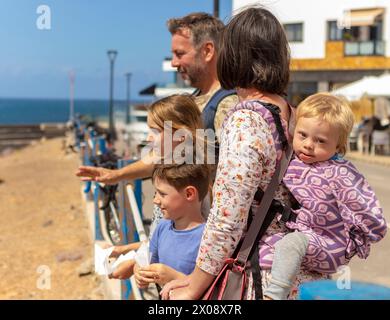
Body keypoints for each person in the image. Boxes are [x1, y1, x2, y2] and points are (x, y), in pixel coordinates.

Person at [161, 6, 326, 300]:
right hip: (292, 273)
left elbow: (228, 217)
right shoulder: (294, 115)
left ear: (232, 56)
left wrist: (195, 284)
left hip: (259, 274)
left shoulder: (246, 120)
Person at [75, 12, 238, 186]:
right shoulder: (196, 99)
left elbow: (237, 175)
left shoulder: (227, 105)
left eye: (180, 54)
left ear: (207, 51)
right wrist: (115, 175)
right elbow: (161, 156)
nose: (174, 63)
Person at [262, 93, 387, 300]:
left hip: (331, 242)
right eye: (303, 135)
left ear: (338, 146)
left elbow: (366, 207)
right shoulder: (293, 159)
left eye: (320, 141)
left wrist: (358, 238)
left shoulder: (340, 172)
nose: (309, 144)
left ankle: (273, 295)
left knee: (290, 244)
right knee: (274, 246)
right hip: (310, 235)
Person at [102, 94, 205, 280]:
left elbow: (183, 245)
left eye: (156, 131)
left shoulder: (192, 184)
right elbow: (163, 238)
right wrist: (126, 251)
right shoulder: (171, 171)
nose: (148, 137)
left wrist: (136, 262)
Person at [133, 163, 210, 289]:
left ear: (189, 194)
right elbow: (145, 260)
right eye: (155, 193)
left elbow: (209, 288)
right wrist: (139, 271)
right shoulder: (163, 227)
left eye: (162, 194)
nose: (155, 200)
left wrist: (173, 276)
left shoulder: (207, 239)